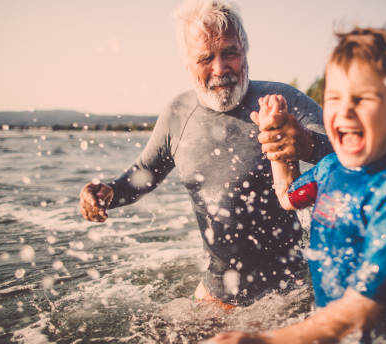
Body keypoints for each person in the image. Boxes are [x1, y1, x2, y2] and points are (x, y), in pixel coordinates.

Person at [78, 0, 332, 308]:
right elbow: (144, 174)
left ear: (245, 51)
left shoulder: (280, 101)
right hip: (217, 295)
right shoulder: (177, 115)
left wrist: (307, 145)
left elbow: (354, 153)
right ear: (187, 64)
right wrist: (109, 192)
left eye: (230, 53)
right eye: (205, 58)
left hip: (289, 296)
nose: (220, 69)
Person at [210, 26, 386, 343]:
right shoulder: (329, 169)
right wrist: (276, 145)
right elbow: (287, 196)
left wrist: (269, 340)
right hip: (324, 329)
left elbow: (364, 308)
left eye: (363, 98)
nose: (344, 110)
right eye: (334, 97)